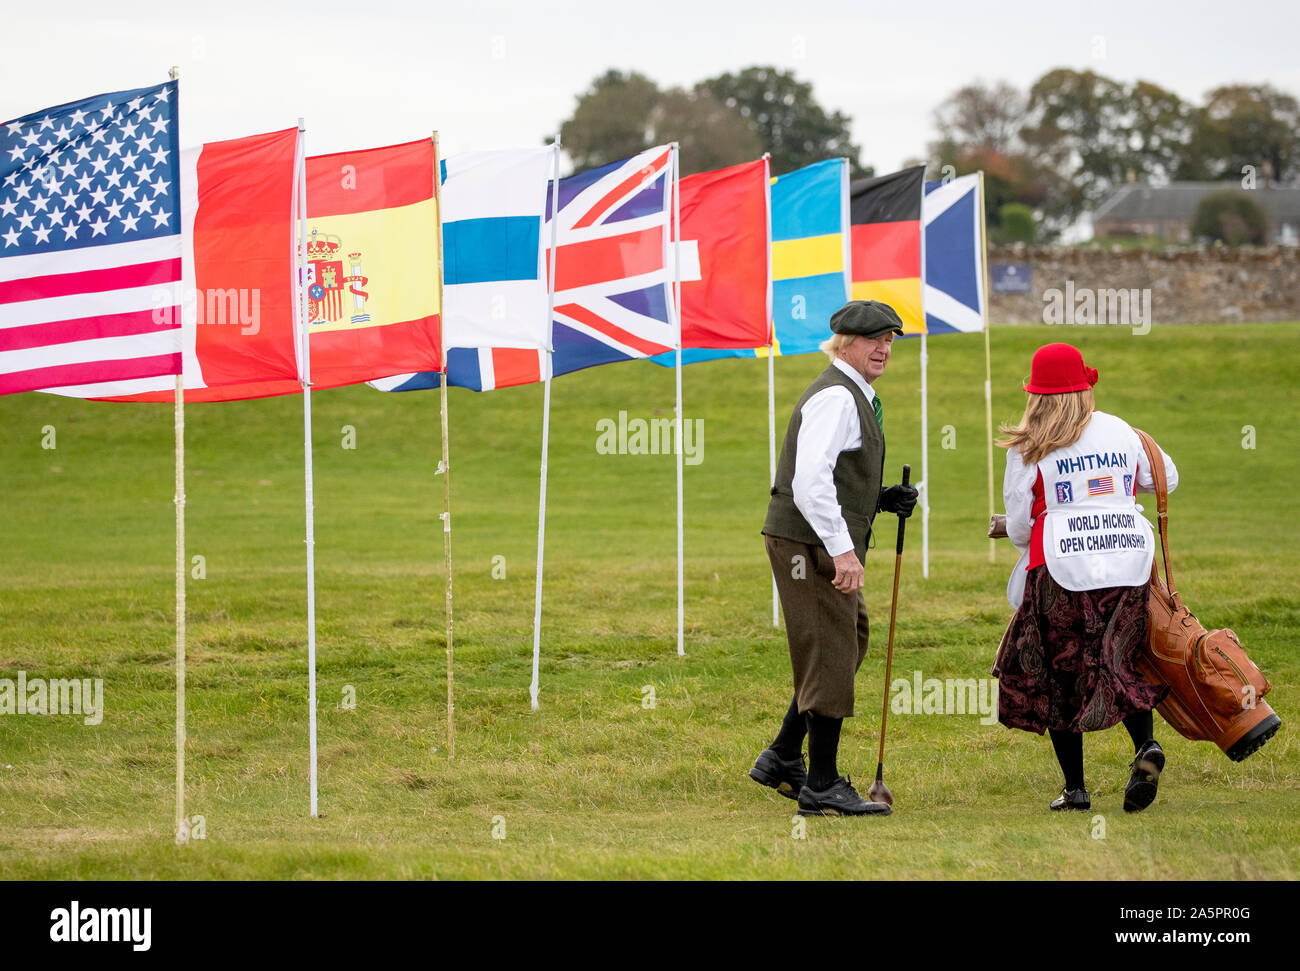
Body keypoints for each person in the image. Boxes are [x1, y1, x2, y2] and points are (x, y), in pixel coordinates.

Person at [749, 300, 918, 817]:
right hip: (809, 545)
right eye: (874, 339)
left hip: (812, 539)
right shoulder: (838, 397)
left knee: (849, 639)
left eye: (890, 339)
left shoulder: (851, 394)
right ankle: (821, 783)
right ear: (845, 342)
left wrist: (880, 497)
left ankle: (782, 755)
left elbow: (837, 476)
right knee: (831, 646)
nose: (884, 349)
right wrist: (844, 552)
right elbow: (810, 481)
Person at [995, 342, 1178, 813]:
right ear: (1085, 388)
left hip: (1059, 568)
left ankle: (1076, 789)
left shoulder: (1027, 445)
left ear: (1034, 395)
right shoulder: (1119, 430)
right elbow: (1166, 479)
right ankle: (1146, 749)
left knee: (1059, 674)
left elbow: (1018, 524)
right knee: (1121, 658)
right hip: (1127, 563)